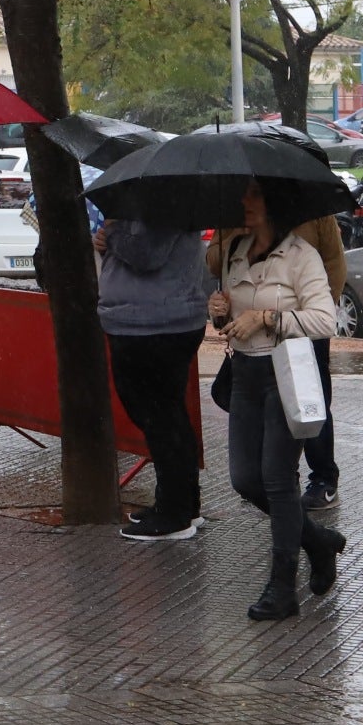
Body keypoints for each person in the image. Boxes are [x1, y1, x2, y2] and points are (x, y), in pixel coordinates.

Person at [209, 181, 344, 621]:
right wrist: (220, 312)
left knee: (277, 478)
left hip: (284, 375)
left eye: (252, 195)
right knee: (245, 479)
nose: (243, 202)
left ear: (274, 204)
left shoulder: (301, 256)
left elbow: (324, 320)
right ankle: (318, 542)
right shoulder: (234, 250)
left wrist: (267, 317)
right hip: (244, 375)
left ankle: (282, 587)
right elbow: (231, 317)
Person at [96, 215, 212, 541]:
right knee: (166, 415)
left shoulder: (162, 203)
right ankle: (181, 503)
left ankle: (174, 514)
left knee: (159, 416)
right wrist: (109, 242)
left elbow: (147, 254)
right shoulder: (150, 203)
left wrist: (112, 234)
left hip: (153, 323)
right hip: (149, 319)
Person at [290, 214, 347, 512]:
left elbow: (335, 265)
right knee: (269, 403)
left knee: (312, 403)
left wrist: (320, 312)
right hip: (260, 331)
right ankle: (282, 476)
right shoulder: (245, 209)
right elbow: (216, 262)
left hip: (307, 328)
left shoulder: (316, 214)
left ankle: (324, 478)